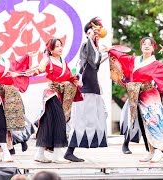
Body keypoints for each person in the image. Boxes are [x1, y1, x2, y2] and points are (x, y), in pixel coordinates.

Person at [108, 37, 163, 162]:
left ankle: (159, 150)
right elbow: (121, 57)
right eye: (144, 43)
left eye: (149, 44)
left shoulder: (156, 64)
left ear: (153, 48)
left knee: (155, 122)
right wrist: (110, 50)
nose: (146, 46)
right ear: (141, 46)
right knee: (145, 124)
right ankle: (151, 151)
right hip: (138, 96)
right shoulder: (135, 60)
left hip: (151, 96)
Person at [26, 38, 83, 163]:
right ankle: (56, 154)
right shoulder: (47, 60)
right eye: (57, 46)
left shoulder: (63, 61)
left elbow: (68, 75)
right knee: (59, 121)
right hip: (51, 94)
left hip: (60, 94)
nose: (60, 48)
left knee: (48, 123)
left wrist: (75, 81)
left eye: (61, 45)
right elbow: (38, 70)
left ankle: (39, 154)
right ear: (50, 49)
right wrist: (24, 73)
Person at [64, 17, 108, 162]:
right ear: (88, 32)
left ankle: (71, 150)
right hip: (86, 89)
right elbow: (91, 61)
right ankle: (69, 151)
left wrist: (109, 53)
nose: (96, 33)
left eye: (98, 31)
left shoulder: (93, 47)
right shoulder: (86, 45)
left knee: (94, 118)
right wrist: (91, 37)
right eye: (93, 31)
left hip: (92, 88)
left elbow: (95, 62)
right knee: (80, 120)